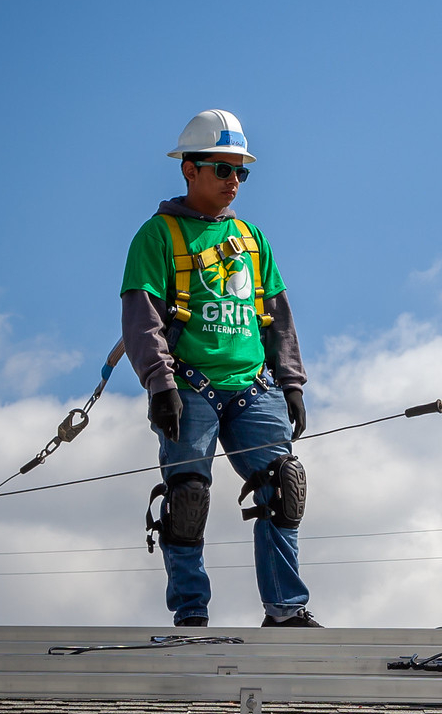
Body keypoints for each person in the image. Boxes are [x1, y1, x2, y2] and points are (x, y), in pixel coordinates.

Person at [120, 109, 320, 628]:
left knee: (283, 487)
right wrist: (160, 386)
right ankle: (191, 614)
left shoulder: (253, 238)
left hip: (254, 387)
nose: (234, 181)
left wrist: (291, 382)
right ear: (190, 169)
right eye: (223, 169)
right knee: (187, 498)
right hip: (191, 388)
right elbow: (142, 319)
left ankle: (286, 610)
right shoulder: (157, 236)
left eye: (241, 172)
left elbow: (277, 317)